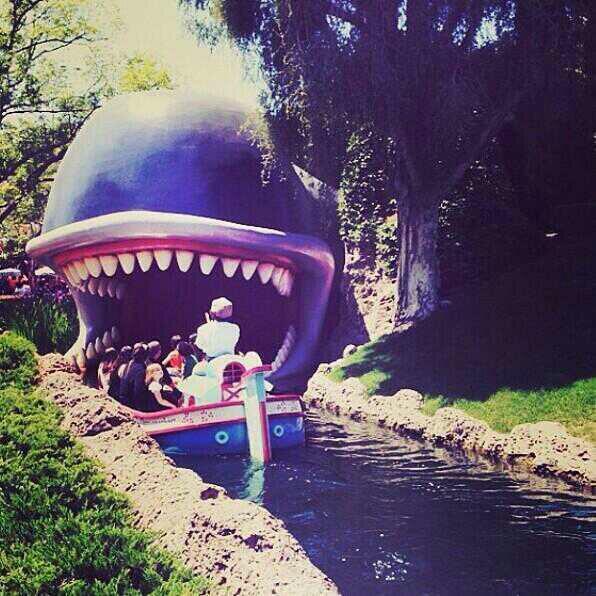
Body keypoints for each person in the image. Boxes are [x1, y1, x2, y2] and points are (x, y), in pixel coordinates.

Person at [119, 344, 148, 409]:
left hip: (122, 397)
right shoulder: (140, 369)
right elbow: (137, 390)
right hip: (129, 402)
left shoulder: (130, 363)